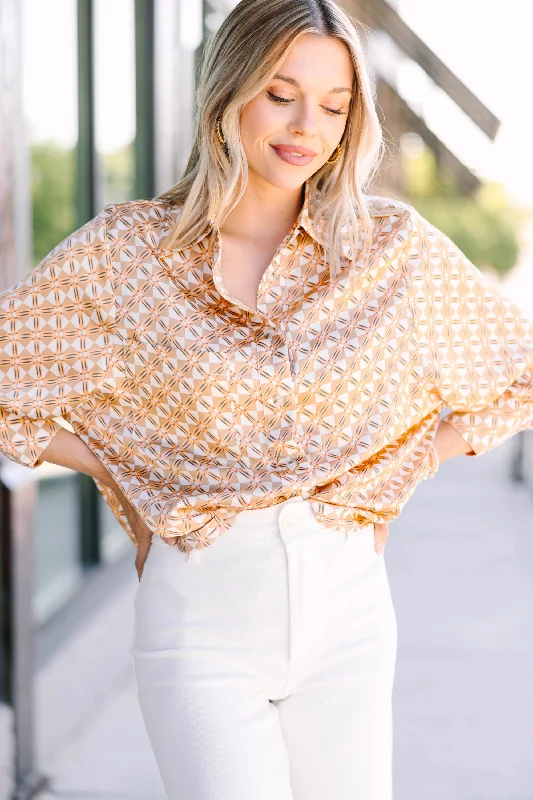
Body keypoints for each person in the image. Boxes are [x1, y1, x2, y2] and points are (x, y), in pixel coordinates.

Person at [1, 0, 532, 797]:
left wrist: (401, 465)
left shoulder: (390, 249)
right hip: (199, 614)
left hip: (348, 611)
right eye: (280, 94)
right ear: (228, 90)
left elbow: (517, 376)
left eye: (333, 106)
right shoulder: (127, 254)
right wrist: (124, 466)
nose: (304, 126)